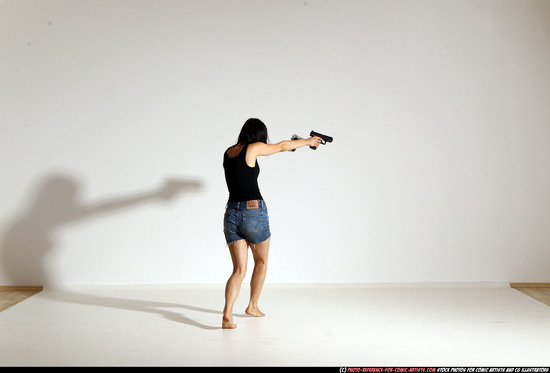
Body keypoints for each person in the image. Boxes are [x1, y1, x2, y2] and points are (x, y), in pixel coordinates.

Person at [222, 118, 322, 329]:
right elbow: (282, 146)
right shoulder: (254, 147)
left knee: (238, 270)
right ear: (259, 135)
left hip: (231, 213)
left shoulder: (229, 152)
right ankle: (253, 305)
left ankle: (228, 314)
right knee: (261, 262)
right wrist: (308, 141)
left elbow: (279, 149)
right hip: (253, 212)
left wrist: (295, 146)